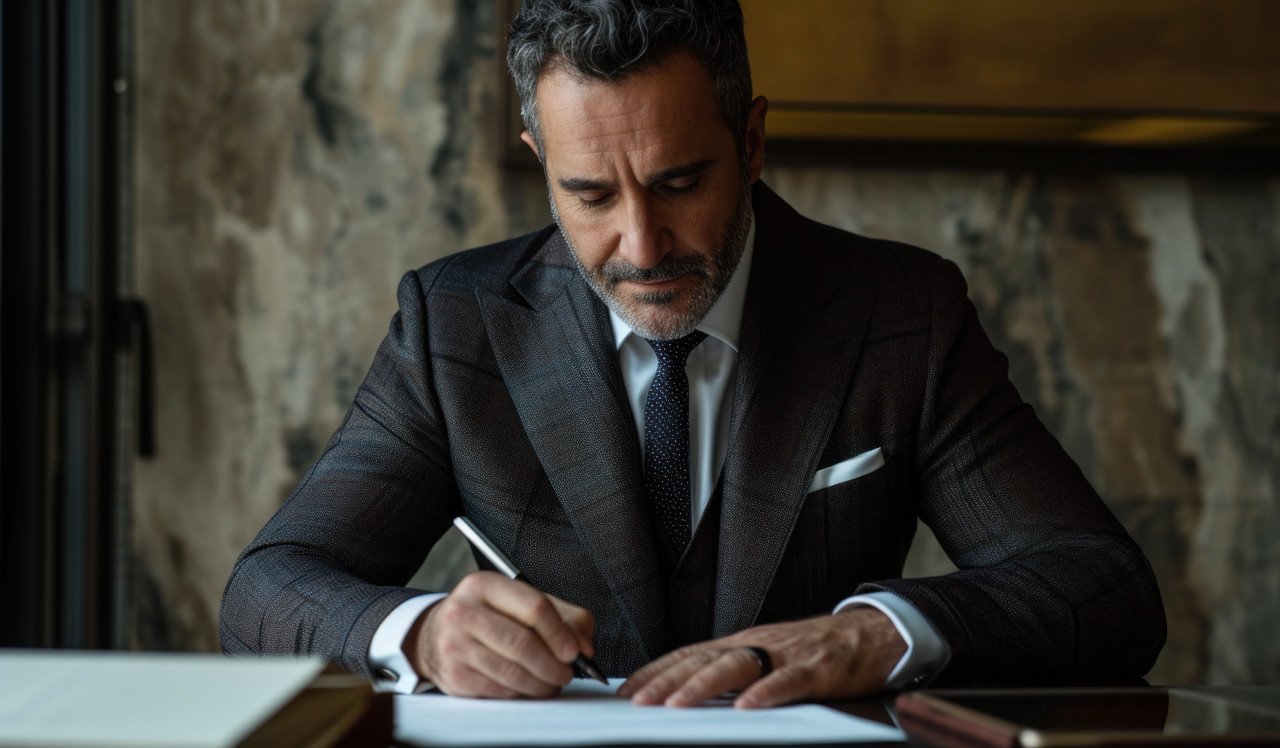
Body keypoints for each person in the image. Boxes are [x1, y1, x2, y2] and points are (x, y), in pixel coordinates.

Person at [219, 0, 1165, 709]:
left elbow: (1103, 589)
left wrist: (876, 636)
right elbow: (265, 591)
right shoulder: (454, 327)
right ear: (537, 156)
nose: (641, 245)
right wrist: (420, 634)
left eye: (680, 182)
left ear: (751, 141)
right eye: (590, 194)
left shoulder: (899, 315)